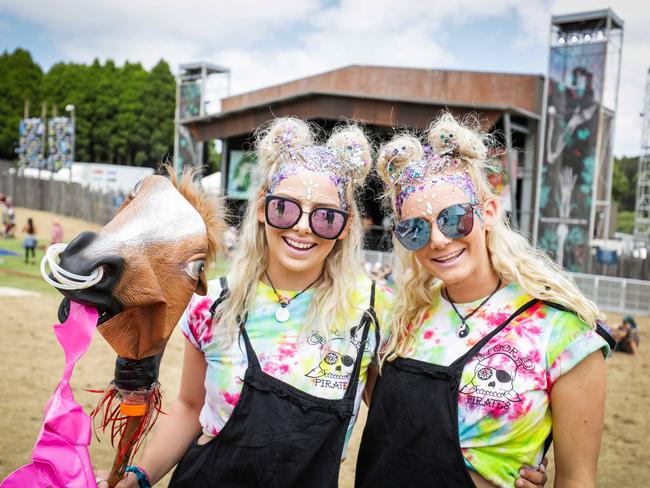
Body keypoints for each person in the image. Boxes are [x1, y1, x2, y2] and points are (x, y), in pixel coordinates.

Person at [98, 117, 392, 488]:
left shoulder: (372, 311)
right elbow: (190, 408)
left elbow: (398, 424)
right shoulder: (214, 304)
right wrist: (138, 477)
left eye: (325, 216)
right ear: (260, 209)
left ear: (345, 227)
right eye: (284, 208)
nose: (302, 227)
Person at [356, 113, 613, 488]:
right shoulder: (399, 320)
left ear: (488, 213)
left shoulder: (562, 336)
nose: (439, 241)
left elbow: (577, 479)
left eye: (454, 219)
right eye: (416, 229)